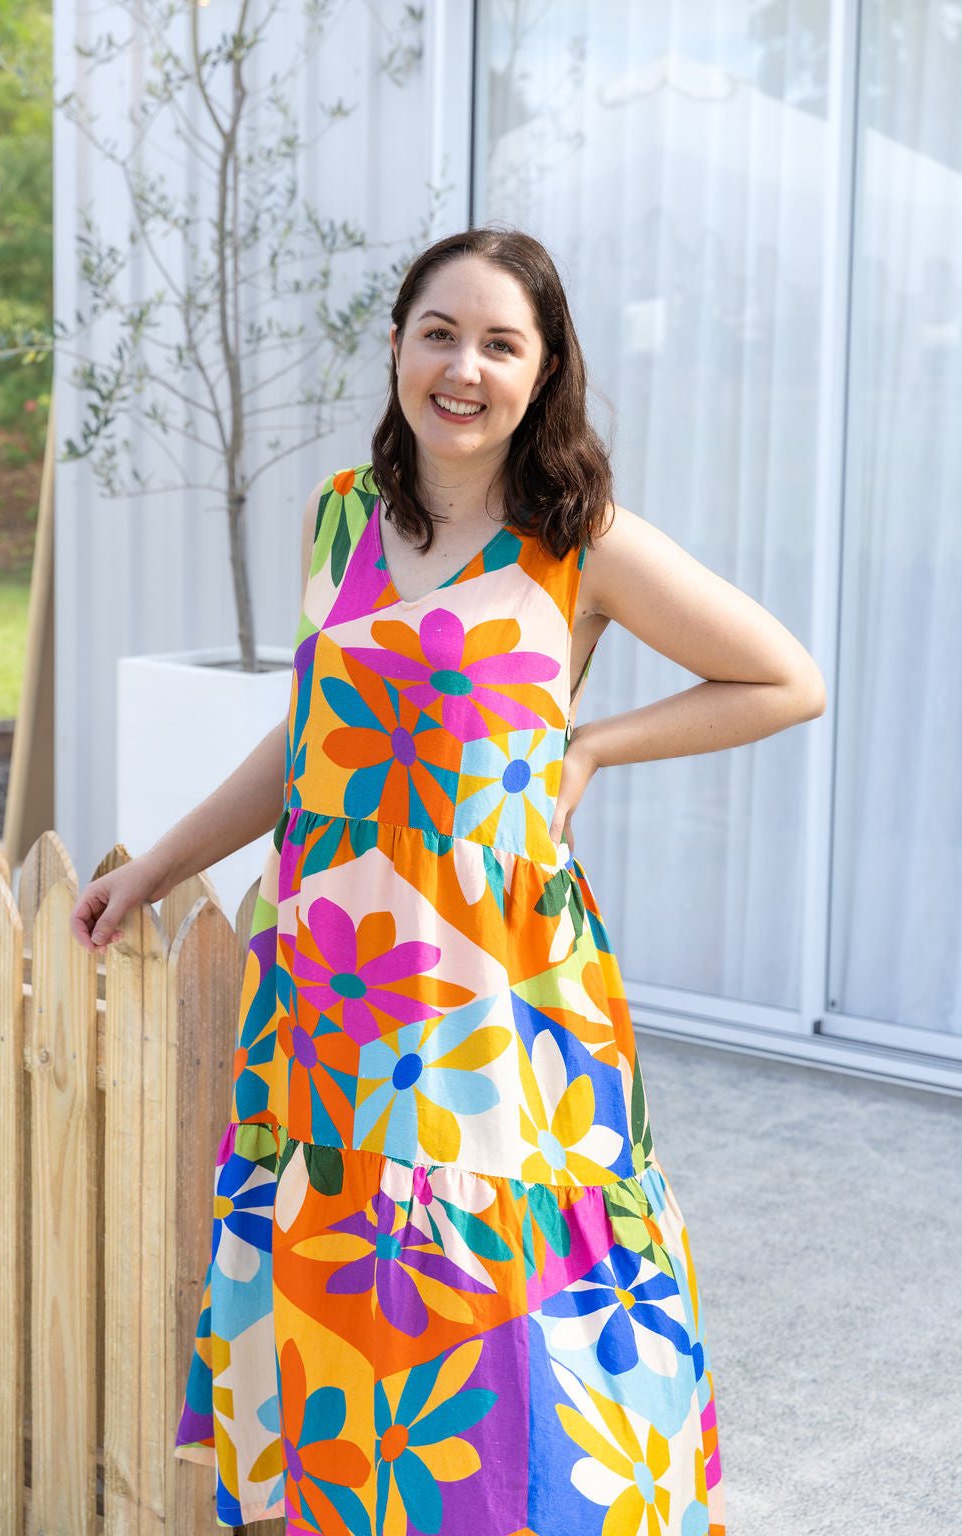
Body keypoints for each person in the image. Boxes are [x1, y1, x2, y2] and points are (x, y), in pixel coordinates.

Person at [71, 227, 825, 1534]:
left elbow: (784, 680)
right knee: (348, 1270)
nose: (463, 367)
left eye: (499, 343)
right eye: (440, 332)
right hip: (330, 975)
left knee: (497, 1294)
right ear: (399, 346)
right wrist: (159, 869)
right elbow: (311, 744)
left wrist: (594, 742)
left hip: (495, 990)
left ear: (544, 371)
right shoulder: (338, 522)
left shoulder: (578, 543)